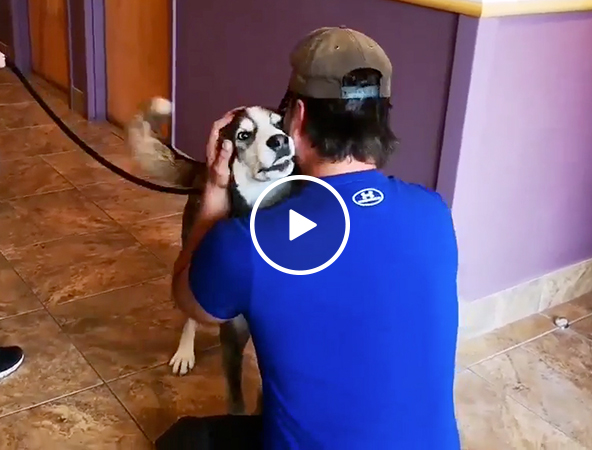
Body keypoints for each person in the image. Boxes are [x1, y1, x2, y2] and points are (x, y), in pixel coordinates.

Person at [157, 27, 460, 449]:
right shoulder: (435, 213)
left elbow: (188, 299)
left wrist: (213, 192)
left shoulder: (248, 244)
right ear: (381, 120)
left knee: (182, 439)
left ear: (297, 119)